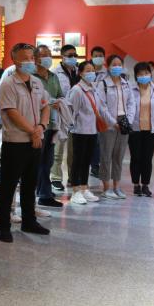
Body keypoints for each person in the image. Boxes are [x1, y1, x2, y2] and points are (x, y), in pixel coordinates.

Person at [0, 43, 50, 243]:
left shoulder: (36, 82)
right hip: (16, 141)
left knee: (30, 183)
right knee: (8, 185)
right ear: (15, 60)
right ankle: (4, 226)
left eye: (31, 57)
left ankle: (29, 220)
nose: (30, 61)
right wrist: (32, 131)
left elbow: (46, 106)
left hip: (35, 140)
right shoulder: (8, 83)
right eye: (25, 57)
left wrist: (41, 127)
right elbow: (11, 112)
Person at [97, 54, 135, 200]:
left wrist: (128, 120)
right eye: (114, 64)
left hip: (124, 123)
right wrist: (113, 122)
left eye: (119, 64)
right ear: (108, 66)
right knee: (106, 155)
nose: (117, 67)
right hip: (109, 124)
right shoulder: (103, 84)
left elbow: (131, 103)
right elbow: (102, 107)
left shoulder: (126, 83)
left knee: (119, 156)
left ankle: (117, 186)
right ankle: (106, 188)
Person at [65, 60, 101, 205]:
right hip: (79, 130)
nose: (91, 73)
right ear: (80, 73)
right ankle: (75, 190)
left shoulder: (93, 88)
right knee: (77, 161)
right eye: (87, 70)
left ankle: (84, 188)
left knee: (87, 160)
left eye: (93, 70)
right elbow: (71, 111)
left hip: (92, 130)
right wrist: (71, 128)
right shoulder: (77, 90)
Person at [33, 45, 64, 210]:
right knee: (38, 161)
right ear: (36, 58)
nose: (47, 58)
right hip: (38, 125)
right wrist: (48, 103)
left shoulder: (53, 77)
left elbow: (60, 95)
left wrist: (58, 102)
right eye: (43, 55)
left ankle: (44, 191)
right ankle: (43, 194)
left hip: (53, 124)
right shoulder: (31, 77)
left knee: (48, 160)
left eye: (49, 55)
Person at [128, 62, 154, 198]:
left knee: (147, 158)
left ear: (150, 74)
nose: (144, 76)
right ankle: (136, 184)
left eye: (146, 73)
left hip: (152, 129)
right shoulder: (130, 90)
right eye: (140, 74)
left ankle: (145, 185)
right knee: (135, 157)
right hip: (135, 129)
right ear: (136, 76)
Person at [50, 45, 80, 192]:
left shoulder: (79, 72)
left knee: (74, 151)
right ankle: (56, 178)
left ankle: (72, 177)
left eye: (75, 55)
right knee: (58, 150)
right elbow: (53, 94)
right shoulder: (55, 73)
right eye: (69, 55)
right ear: (62, 56)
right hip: (60, 115)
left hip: (76, 116)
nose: (73, 57)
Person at [87, 46, 108, 178]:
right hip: (88, 110)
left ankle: (96, 166)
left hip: (102, 110)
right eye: (96, 56)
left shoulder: (108, 73)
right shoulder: (87, 71)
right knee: (91, 140)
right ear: (91, 57)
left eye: (100, 56)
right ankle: (92, 165)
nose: (98, 58)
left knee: (100, 140)